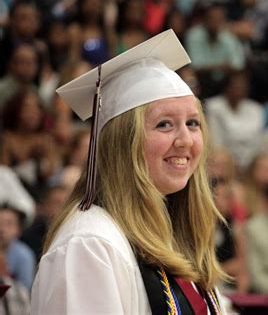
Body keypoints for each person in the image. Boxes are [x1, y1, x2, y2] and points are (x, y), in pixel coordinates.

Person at [31, 30, 227, 314]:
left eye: (193, 123)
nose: (185, 140)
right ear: (123, 142)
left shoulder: (169, 234)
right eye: (164, 124)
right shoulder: (90, 246)